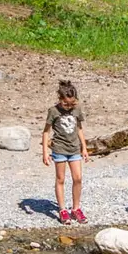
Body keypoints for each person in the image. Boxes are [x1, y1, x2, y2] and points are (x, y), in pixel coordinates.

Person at [42, 80, 89, 224]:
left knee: (78, 178)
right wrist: (45, 152)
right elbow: (45, 132)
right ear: (60, 99)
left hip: (74, 148)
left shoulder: (77, 110)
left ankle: (76, 208)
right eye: (66, 104)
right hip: (59, 148)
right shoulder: (53, 111)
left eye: (72, 104)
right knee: (60, 179)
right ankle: (62, 209)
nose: (69, 107)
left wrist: (84, 148)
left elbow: (79, 128)